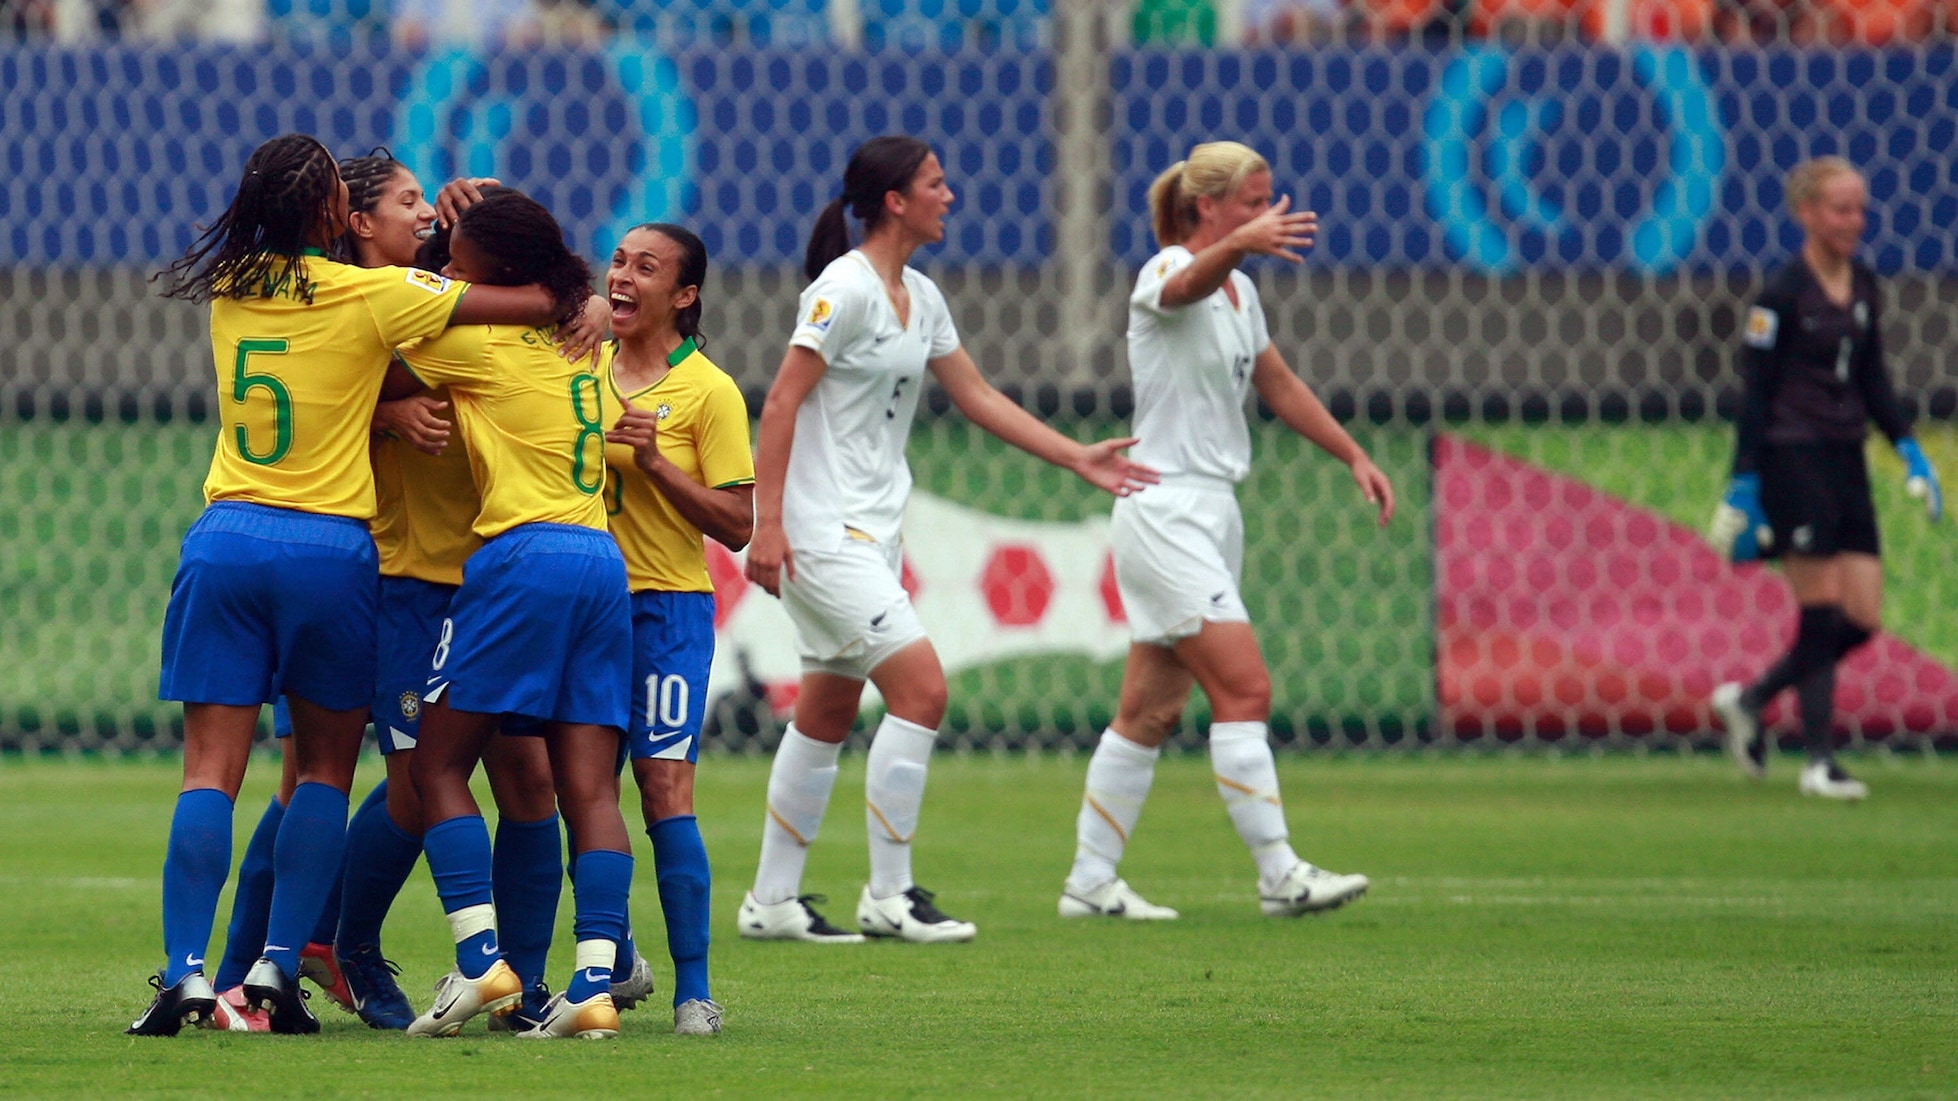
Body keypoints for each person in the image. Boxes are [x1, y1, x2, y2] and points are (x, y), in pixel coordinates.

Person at [132, 133, 567, 1037]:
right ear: (340, 216)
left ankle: (184, 972)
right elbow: (528, 298)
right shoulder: (376, 295)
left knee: (211, 771)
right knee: (326, 771)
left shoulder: (229, 284)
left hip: (227, 536)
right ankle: (282, 968)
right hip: (332, 551)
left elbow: (316, 364)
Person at [738, 135, 1158, 945]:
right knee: (923, 691)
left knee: (826, 710)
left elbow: (977, 395)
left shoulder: (920, 295)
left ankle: (772, 900)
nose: (950, 194)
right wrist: (769, 522)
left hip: (871, 533)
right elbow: (782, 403)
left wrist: (1076, 455)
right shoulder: (844, 288)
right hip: (824, 536)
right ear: (895, 200)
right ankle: (889, 894)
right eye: (936, 182)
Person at [1058, 141, 1394, 922]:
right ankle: (1279, 873)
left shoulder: (1241, 292)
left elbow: (1275, 382)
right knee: (1245, 686)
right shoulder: (1166, 270)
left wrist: (1352, 453)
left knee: (1149, 709)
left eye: (1268, 201)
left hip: (1212, 512)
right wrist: (1234, 245)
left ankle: (1089, 879)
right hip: (1165, 508)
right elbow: (1181, 286)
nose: (1267, 215)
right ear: (1207, 207)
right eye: (1252, 203)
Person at [393, 189, 636, 1040]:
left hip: (519, 558)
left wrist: (393, 399)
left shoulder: (474, 339)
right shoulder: (584, 339)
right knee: (591, 786)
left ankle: (479, 961)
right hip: (600, 561)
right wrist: (593, 305)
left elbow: (367, 340)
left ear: (494, 270)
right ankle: (594, 984)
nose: (449, 264)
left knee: (435, 766)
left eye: (459, 252)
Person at [1709, 156, 1942, 800]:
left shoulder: (1865, 284)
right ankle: (1819, 761)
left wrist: (1908, 449)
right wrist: (1745, 481)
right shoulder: (1781, 294)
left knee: (1862, 617)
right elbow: (1755, 393)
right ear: (1806, 213)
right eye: (1841, 209)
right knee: (1822, 610)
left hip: (1846, 457)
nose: (1855, 221)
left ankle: (1752, 699)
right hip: (1792, 455)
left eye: (1861, 209)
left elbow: (1873, 378)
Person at [598, 223, 754, 1035]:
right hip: (585, 607)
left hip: (665, 607)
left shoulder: (708, 391)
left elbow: (737, 521)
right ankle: (616, 958)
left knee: (663, 788)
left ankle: (694, 990)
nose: (622, 277)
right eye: (618, 261)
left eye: (644, 268)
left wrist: (658, 464)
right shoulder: (575, 368)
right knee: (580, 789)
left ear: (684, 295)